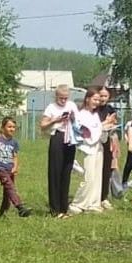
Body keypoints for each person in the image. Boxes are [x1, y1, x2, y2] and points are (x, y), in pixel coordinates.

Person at [68, 90, 114, 215]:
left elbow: (98, 129)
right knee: (88, 177)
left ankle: (93, 202)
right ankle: (78, 203)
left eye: (98, 100)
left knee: (96, 177)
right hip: (87, 148)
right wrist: (102, 128)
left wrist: (105, 128)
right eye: (95, 99)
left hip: (98, 147)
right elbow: (85, 132)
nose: (97, 102)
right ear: (87, 99)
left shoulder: (95, 115)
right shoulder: (81, 114)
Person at [41, 86, 77, 217]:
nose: (63, 100)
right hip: (57, 136)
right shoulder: (51, 107)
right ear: (56, 96)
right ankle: (55, 209)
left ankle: (64, 208)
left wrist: (72, 118)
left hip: (70, 138)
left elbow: (77, 122)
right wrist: (55, 120)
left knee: (66, 172)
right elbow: (43, 125)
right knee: (55, 172)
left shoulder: (72, 105)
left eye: (65, 98)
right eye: (61, 98)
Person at [0, 116, 31, 218]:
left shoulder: (14, 142)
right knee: (10, 187)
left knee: (7, 192)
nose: (12, 129)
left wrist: (15, 167)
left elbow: (15, 156)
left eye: (13, 127)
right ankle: (20, 207)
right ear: (3, 127)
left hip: (10, 169)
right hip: (1, 168)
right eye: (9, 126)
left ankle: (2, 213)